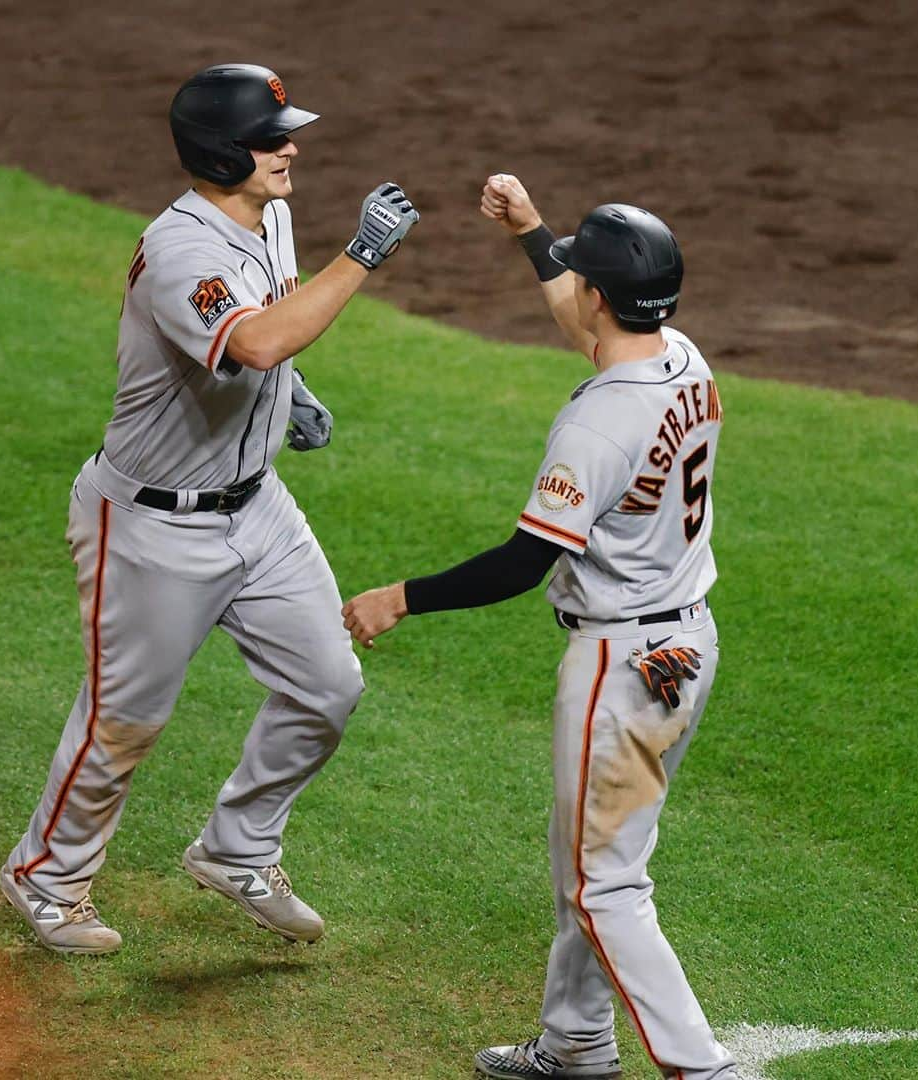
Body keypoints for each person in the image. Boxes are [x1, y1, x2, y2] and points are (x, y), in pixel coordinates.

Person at [0, 63, 419, 955]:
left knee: (329, 685)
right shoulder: (182, 248)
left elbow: (269, 340)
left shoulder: (271, 213)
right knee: (125, 720)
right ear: (223, 152)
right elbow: (257, 338)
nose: (291, 148)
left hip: (258, 510)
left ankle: (239, 849)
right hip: (149, 524)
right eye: (272, 140)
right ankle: (46, 877)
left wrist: (291, 395)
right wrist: (364, 256)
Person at [343, 175, 737, 1079]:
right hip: (684, 644)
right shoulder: (683, 357)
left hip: (621, 665)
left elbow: (522, 564)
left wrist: (400, 595)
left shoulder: (599, 425)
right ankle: (575, 1044)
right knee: (597, 862)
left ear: (599, 294)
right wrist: (533, 234)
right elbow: (590, 326)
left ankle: (701, 1069)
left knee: (603, 884)